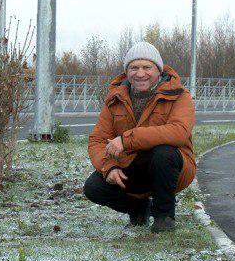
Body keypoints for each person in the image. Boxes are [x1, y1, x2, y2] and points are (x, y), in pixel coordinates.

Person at [84, 41, 197, 233]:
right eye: (134, 67)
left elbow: (179, 132)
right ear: (127, 71)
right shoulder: (115, 98)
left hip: (170, 167)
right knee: (93, 187)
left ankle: (164, 217)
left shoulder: (179, 95)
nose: (140, 73)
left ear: (158, 70)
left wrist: (126, 139)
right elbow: (97, 140)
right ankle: (139, 209)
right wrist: (109, 166)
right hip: (130, 165)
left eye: (147, 67)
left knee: (164, 152)